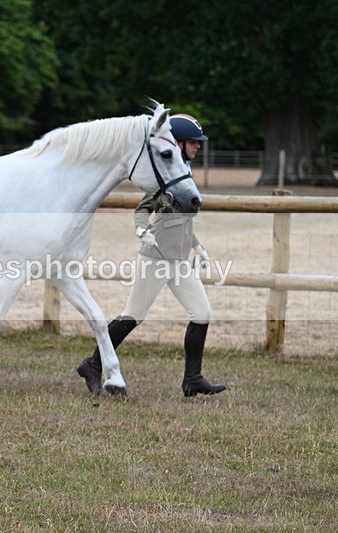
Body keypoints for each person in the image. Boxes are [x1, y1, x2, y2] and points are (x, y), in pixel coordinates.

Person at [76, 113, 227, 397]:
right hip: (155, 258)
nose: (198, 147)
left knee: (202, 313)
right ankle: (93, 364)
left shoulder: (183, 175)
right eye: (193, 142)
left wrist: (197, 246)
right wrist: (141, 230)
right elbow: (142, 209)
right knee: (133, 315)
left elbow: (181, 221)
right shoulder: (164, 179)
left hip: (179, 260)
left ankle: (193, 379)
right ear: (178, 143)